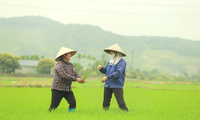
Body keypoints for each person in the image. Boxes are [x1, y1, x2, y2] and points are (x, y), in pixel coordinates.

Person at [49, 47, 85, 112]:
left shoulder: (70, 64)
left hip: (67, 89)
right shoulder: (59, 64)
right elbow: (64, 75)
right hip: (58, 88)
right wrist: (76, 79)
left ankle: (71, 116)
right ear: (64, 55)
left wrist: (80, 78)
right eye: (69, 54)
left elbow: (74, 73)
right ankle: (49, 114)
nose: (70, 55)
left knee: (73, 102)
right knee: (54, 105)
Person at [97, 44, 129, 112]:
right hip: (108, 84)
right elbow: (106, 71)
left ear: (116, 52)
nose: (110, 53)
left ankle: (127, 113)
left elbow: (118, 73)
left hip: (116, 84)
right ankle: (104, 114)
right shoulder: (110, 62)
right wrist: (101, 68)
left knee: (120, 102)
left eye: (111, 51)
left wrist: (107, 77)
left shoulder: (122, 62)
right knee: (105, 102)